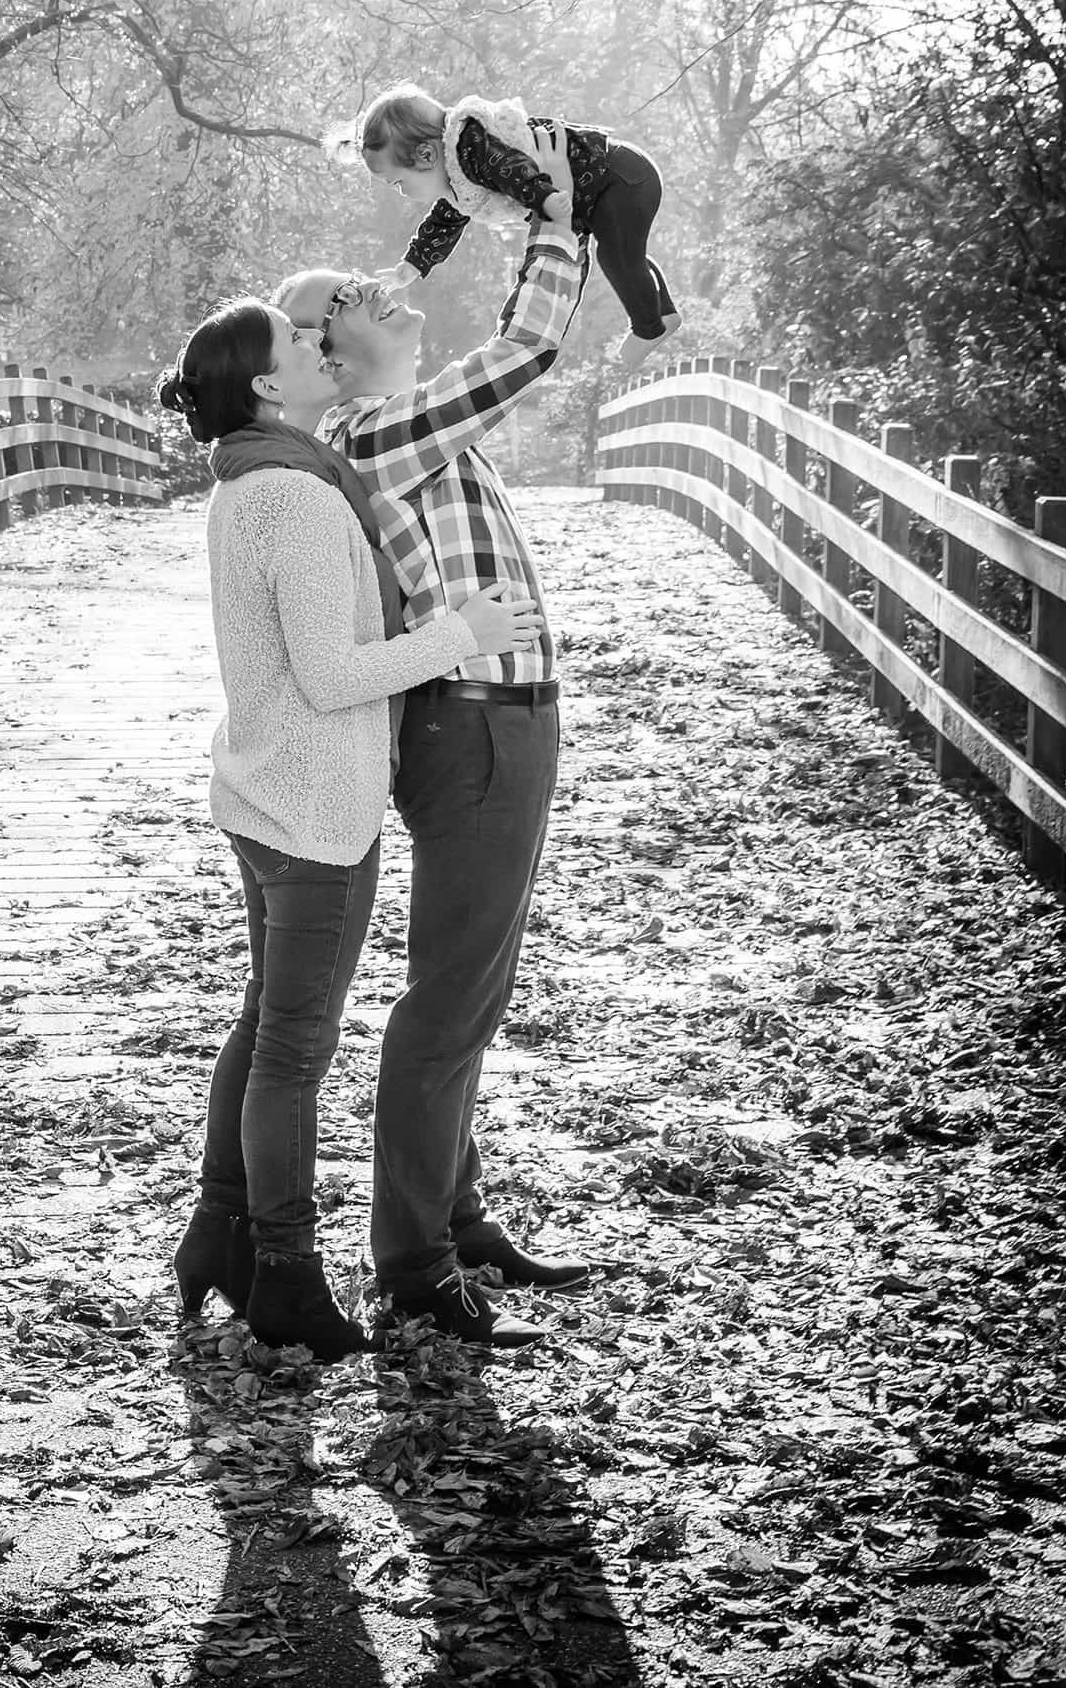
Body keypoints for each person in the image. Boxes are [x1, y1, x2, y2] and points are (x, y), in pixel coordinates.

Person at [156, 296, 540, 1361]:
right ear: (270, 386)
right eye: (296, 343)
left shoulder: (248, 482)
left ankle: (215, 1228)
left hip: (264, 790)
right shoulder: (299, 497)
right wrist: (460, 633)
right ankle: (282, 1270)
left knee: (266, 1023)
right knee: (293, 1047)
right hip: (312, 806)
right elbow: (331, 676)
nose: (316, 347)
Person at [276, 122, 593, 1351]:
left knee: (474, 986)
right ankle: (411, 1259)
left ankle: (452, 1218)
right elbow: (526, 348)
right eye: (343, 303)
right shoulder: (371, 435)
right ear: (323, 356)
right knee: (451, 996)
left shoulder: (403, 424)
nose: (381, 294)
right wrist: (556, 225)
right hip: (474, 727)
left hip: (496, 719)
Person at [337, 79, 682, 370]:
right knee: (622, 251)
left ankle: (648, 328)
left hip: (620, 177)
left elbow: (512, 167)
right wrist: (413, 264)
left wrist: (544, 196)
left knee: (619, 256)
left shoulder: (471, 149)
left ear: (427, 156)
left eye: (398, 183)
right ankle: (662, 313)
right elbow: (443, 222)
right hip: (606, 187)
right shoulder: (459, 179)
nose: (401, 193)